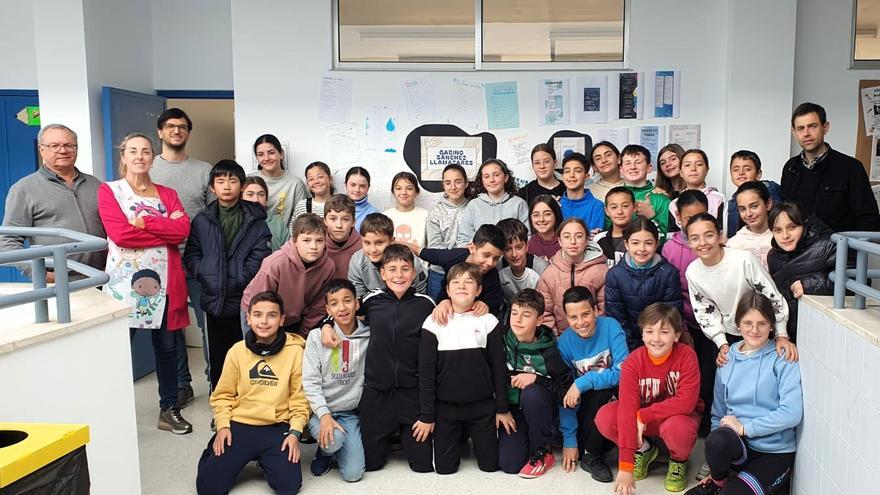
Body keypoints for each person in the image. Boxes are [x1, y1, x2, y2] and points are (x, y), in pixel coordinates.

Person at [98, 132, 192, 434]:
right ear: (123, 156)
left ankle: (169, 409)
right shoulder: (109, 191)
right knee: (119, 350)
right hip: (124, 286)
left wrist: (147, 221)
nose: (140, 156)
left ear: (153, 158)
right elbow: (121, 235)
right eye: (133, 151)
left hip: (165, 285)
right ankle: (111, 411)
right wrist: (164, 230)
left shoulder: (166, 193)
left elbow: (182, 232)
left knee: (166, 348)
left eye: (146, 151)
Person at [322, 244, 436, 473]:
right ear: (382, 274)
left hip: (410, 392)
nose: (399, 275)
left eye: (405, 269)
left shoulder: (426, 304)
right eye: (392, 269)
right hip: (377, 393)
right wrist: (326, 325)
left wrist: (428, 413)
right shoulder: (372, 300)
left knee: (422, 466)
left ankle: (404, 437)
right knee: (372, 465)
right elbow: (343, 311)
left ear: (413, 272)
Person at [685, 293, 802, 495]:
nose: (754, 330)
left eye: (762, 324)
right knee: (716, 439)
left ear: (771, 326)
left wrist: (746, 429)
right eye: (748, 323)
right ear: (738, 324)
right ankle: (719, 482)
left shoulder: (782, 356)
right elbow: (718, 414)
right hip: (740, 449)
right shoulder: (727, 358)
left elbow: (792, 412)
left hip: (773, 453)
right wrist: (716, 467)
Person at [195, 291, 309, 495]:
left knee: (289, 487)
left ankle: (265, 461)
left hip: (276, 427)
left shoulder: (295, 351)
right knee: (208, 489)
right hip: (240, 425)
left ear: (282, 319)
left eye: (272, 315)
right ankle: (214, 449)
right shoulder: (237, 351)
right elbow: (223, 396)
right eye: (257, 315)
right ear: (248, 318)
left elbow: (299, 399)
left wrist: (295, 432)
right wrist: (222, 426)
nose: (264, 321)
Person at [595, 303, 703, 494]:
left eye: (664, 332)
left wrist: (644, 415)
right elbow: (627, 409)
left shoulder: (687, 356)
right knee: (605, 417)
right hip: (642, 422)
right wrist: (625, 465)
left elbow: (686, 403)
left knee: (678, 428)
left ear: (676, 335)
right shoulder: (633, 362)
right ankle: (644, 449)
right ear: (642, 334)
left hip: (676, 418)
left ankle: (678, 460)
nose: (656, 339)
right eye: (649, 331)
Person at [183, 160, 272, 392]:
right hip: (213, 298)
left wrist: (240, 278)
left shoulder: (256, 220)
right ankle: (220, 404)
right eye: (220, 181)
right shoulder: (203, 220)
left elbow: (261, 255)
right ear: (212, 187)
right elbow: (192, 254)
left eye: (232, 181)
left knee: (246, 354)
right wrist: (206, 273)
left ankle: (245, 403)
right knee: (218, 356)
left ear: (242, 186)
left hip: (245, 300)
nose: (226, 186)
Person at [418, 262, 511, 474]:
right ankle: (458, 438)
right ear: (448, 290)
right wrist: (427, 415)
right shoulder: (433, 323)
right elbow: (426, 374)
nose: (462, 286)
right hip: (446, 409)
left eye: (469, 283)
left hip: (482, 407)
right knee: (444, 469)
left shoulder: (489, 321)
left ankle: (473, 437)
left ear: (478, 290)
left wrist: (502, 409)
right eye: (456, 283)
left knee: (490, 466)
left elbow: (499, 369)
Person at [151, 109, 213, 407]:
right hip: (159, 262)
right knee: (171, 327)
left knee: (207, 324)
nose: (177, 131)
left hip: (198, 260)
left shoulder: (204, 170)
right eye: (170, 126)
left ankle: (216, 382)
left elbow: (214, 216)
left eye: (183, 127)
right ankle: (181, 385)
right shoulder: (146, 169)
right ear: (160, 132)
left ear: (189, 132)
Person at [684, 213, 797, 367]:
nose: (702, 243)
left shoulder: (743, 260)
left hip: (761, 330)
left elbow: (771, 295)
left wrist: (781, 334)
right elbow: (704, 310)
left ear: (720, 236)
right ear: (688, 242)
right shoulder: (693, 271)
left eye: (709, 235)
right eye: (695, 238)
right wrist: (721, 343)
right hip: (729, 335)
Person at [0, 123, 106, 279]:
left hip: (101, 276)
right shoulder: (24, 189)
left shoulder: (95, 184)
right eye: (54, 146)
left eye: (68, 145)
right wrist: (39, 274)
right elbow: (8, 241)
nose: (62, 150)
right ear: (41, 149)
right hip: (58, 282)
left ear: (76, 149)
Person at [557, 287, 629, 483]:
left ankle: (593, 453)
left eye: (586, 314)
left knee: (603, 389)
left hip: (612, 401)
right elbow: (565, 393)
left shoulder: (611, 327)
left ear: (596, 311)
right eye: (573, 317)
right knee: (586, 393)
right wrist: (569, 439)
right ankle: (588, 451)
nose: (580, 323)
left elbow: (624, 373)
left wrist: (584, 381)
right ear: (567, 318)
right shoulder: (564, 343)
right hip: (583, 411)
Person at [499, 289, 572, 478]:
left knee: (531, 393)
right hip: (512, 412)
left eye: (526, 315)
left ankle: (543, 450)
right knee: (509, 464)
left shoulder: (549, 352)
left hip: (540, 409)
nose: (518, 320)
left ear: (539, 320)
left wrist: (536, 379)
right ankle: (527, 439)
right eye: (514, 313)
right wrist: (501, 409)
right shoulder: (500, 338)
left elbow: (567, 392)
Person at [303, 279, 369, 482]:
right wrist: (323, 415)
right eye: (334, 303)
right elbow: (310, 381)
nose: (342, 308)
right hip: (323, 410)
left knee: (353, 474)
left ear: (357, 303)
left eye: (347, 301)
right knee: (334, 441)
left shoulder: (369, 335)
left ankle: (337, 448)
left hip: (350, 414)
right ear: (327, 309)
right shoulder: (316, 337)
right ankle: (325, 452)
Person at [781, 102, 880, 233]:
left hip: (838, 250)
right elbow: (784, 215)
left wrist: (848, 249)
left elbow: (869, 220)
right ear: (794, 132)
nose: (806, 133)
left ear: (825, 127)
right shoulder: (790, 168)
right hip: (799, 251)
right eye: (800, 128)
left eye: (812, 126)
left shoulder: (851, 167)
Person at [662, 191, 715, 437]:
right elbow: (669, 291)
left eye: (701, 215)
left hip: (713, 325)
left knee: (710, 375)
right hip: (684, 323)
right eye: (688, 217)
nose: (695, 222)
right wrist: (680, 327)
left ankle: (707, 423)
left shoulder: (714, 244)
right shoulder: (670, 248)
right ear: (678, 218)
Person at [241, 213, 335, 338]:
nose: (313, 246)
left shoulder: (328, 266)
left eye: (319, 241)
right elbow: (257, 301)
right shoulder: (276, 263)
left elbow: (318, 306)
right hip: (258, 314)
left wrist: (303, 334)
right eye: (306, 240)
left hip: (295, 319)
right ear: (295, 240)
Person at [605, 217, 683, 351]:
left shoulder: (668, 273)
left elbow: (672, 315)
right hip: (628, 345)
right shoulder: (615, 275)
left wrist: (657, 344)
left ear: (657, 243)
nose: (641, 249)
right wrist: (634, 350)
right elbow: (617, 319)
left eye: (648, 243)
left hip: (661, 343)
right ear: (626, 244)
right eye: (635, 243)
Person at [767, 202, 836, 343]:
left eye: (792, 227)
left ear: (804, 224)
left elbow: (855, 284)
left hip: (824, 332)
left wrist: (810, 285)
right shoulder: (773, 256)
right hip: (789, 335)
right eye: (778, 230)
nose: (785, 235)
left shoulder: (828, 245)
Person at [414, 223, 506, 315]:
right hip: (447, 313)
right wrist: (444, 301)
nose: (490, 263)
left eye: (496, 258)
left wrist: (485, 306)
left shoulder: (492, 276)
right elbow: (424, 253)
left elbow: (494, 306)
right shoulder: (454, 257)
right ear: (472, 248)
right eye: (486, 255)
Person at [536, 218, 608, 333]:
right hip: (562, 339)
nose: (573, 241)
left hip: (594, 336)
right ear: (559, 241)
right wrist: (556, 341)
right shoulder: (549, 274)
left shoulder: (601, 271)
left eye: (579, 236)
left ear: (586, 240)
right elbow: (545, 313)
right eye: (567, 236)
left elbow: (604, 311)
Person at [249, 134, 308, 247]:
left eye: (271, 152)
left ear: (281, 154)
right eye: (260, 154)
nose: (266, 158)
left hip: (283, 243)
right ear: (257, 158)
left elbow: (300, 219)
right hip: (252, 242)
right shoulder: (250, 181)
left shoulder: (295, 183)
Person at [348, 213, 427, 297]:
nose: (373, 250)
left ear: (392, 241)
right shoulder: (357, 261)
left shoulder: (410, 260)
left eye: (379, 243)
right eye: (367, 243)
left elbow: (419, 296)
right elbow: (358, 298)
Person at [456, 159, 529, 247]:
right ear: (482, 181)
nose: (491, 180)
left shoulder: (519, 204)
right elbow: (463, 239)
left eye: (496, 175)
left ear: (505, 177)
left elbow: (527, 237)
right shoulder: (473, 205)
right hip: (481, 259)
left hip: (512, 257)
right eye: (486, 176)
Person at [426, 164, 471, 301]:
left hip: (468, 272)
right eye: (448, 183)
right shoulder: (435, 211)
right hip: (439, 272)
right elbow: (434, 245)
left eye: (458, 182)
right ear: (443, 185)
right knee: (438, 313)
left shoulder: (473, 207)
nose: (453, 187)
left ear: (466, 183)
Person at [725, 150, 782, 237]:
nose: (741, 173)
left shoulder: (770, 189)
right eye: (735, 170)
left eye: (747, 169)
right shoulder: (731, 204)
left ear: (758, 174)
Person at [621, 144, 672, 236]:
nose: (633, 167)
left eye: (638, 162)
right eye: (628, 163)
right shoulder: (614, 196)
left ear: (649, 168)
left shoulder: (661, 199)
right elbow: (608, 231)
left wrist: (651, 216)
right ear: (621, 169)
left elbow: (663, 238)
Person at [497, 218, 549, 307]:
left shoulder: (542, 269)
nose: (514, 254)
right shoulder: (497, 268)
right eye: (508, 249)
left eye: (519, 247)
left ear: (527, 246)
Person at [669, 149, 725, 229]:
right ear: (681, 172)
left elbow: (722, 230)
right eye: (687, 165)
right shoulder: (674, 204)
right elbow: (673, 235)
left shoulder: (719, 199)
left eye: (699, 164)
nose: (693, 169)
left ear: (707, 170)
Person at [725, 181, 774, 268]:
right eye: (742, 209)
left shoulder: (782, 237)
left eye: (754, 206)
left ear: (768, 204)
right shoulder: (734, 244)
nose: (748, 214)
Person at [383, 172, 428, 254]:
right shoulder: (385, 216)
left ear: (417, 192)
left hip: (420, 266)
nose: (404, 192)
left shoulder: (426, 215)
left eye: (409, 188)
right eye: (398, 188)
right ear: (393, 192)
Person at [560, 153, 605, 231]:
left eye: (577, 171)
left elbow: (594, 239)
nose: (571, 175)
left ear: (586, 177)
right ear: (563, 177)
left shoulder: (597, 206)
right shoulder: (556, 204)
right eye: (567, 171)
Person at [242, 176, 289, 251]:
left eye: (261, 195)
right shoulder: (235, 220)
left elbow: (287, 252)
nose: (256, 200)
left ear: (266, 198)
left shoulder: (277, 222)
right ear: (241, 197)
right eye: (250, 195)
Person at [593, 186, 637, 267]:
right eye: (614, 207)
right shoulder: (599, 239)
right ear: (606, 211)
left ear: (634, 208)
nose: (620, 212)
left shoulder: (641, 237)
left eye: (625, 206)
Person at [321, 194, 362, 280]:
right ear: (325, 221)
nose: (339, 225)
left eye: (345, 219)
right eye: (333, 219)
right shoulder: (317, 245)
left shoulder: (363, 246)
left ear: (353, 222)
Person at [527, 195, 563, 260]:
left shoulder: (566, 240)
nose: (541, 219)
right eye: (536, 215)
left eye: (547, 214)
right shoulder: (530, 244)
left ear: (556, 215)